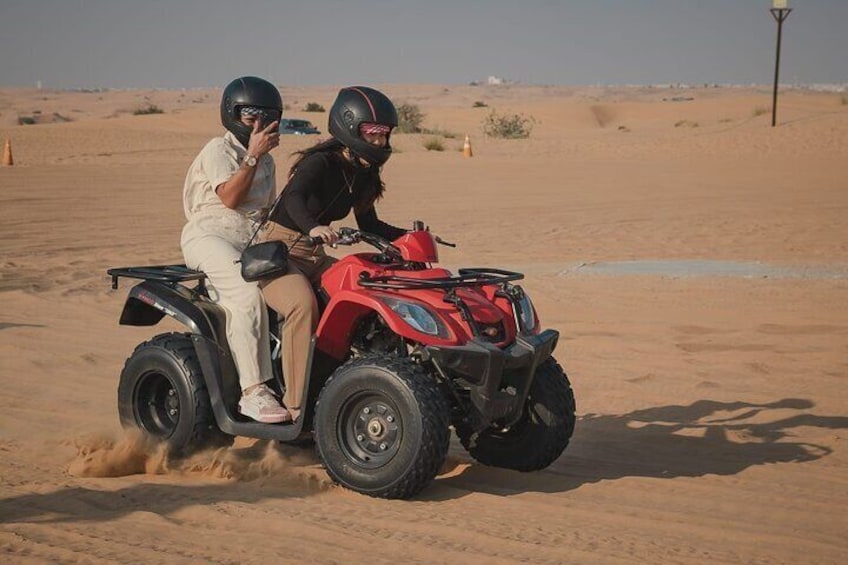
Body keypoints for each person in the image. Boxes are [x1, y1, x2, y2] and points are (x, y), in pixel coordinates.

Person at [259, 86, 407, 422]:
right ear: (349, 126)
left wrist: (410, 236)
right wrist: (313, 227)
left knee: (363, 290)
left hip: (314, 254)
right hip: (280, 252)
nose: (381, 143)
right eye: (373, 134)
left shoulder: (363, 170)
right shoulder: (320, 162)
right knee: (302, 305)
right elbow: (294, 199)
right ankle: (296, 406)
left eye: (385, 135)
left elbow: (370, 223)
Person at [181, 76, 292, 423]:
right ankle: (252, 392)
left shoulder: (269, 163)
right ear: (233, 114)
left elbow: (266, 210)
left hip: (251, 239)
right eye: (251, 116)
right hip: (209, 236)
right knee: (246, 296)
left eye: (268, 117)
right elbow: (229, 198)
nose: (259, 125)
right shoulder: (220, 149)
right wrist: (252, 156)